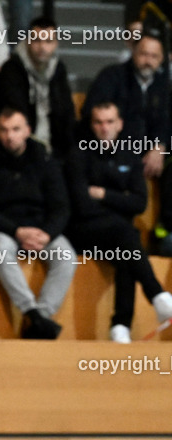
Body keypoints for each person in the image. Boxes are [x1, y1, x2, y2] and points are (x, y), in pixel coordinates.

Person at [65, 102, 172, 342]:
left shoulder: (130, 156)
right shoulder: (78, 155)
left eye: (110, 122)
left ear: (120, 124)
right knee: (128, 235)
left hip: (117, 235)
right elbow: (82, 206)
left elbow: (139, 203)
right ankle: (155, 297)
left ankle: (120, 330)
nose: (105, 128)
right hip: (84, 233)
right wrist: (120, 200)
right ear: (91, 125)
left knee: (128, 249)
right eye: (99, 122)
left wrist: (102, 194)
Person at [0, 108, 76, 339]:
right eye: (4, 130)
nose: (10, 136)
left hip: (41, 228)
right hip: (3, 229)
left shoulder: (45, 161)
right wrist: (17, 231)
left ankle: (42, 316)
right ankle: (31, 310)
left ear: (28, 131)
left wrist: (47, 234)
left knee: (66, 256)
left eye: (16, 129)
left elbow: (61, 207)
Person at [82, 26, 170, 179]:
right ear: (133, 53)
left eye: (154, 56)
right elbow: (92, 113)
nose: (148, 61)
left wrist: (160, 146)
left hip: (151, 153)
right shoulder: (111, 76)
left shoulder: (162, 85)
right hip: (114, 150)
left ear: (162, 59)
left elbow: (165, 120)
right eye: (144, 54)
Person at [0, 16, 76, 160]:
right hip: (23, 147)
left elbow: (66, 111)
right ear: (28, 41)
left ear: (56, 44)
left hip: (55, 147)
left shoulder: (58, 69)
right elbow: (15, 110)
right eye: (37, 40)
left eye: (48, 41)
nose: (42, 47)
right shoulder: (12, 68)